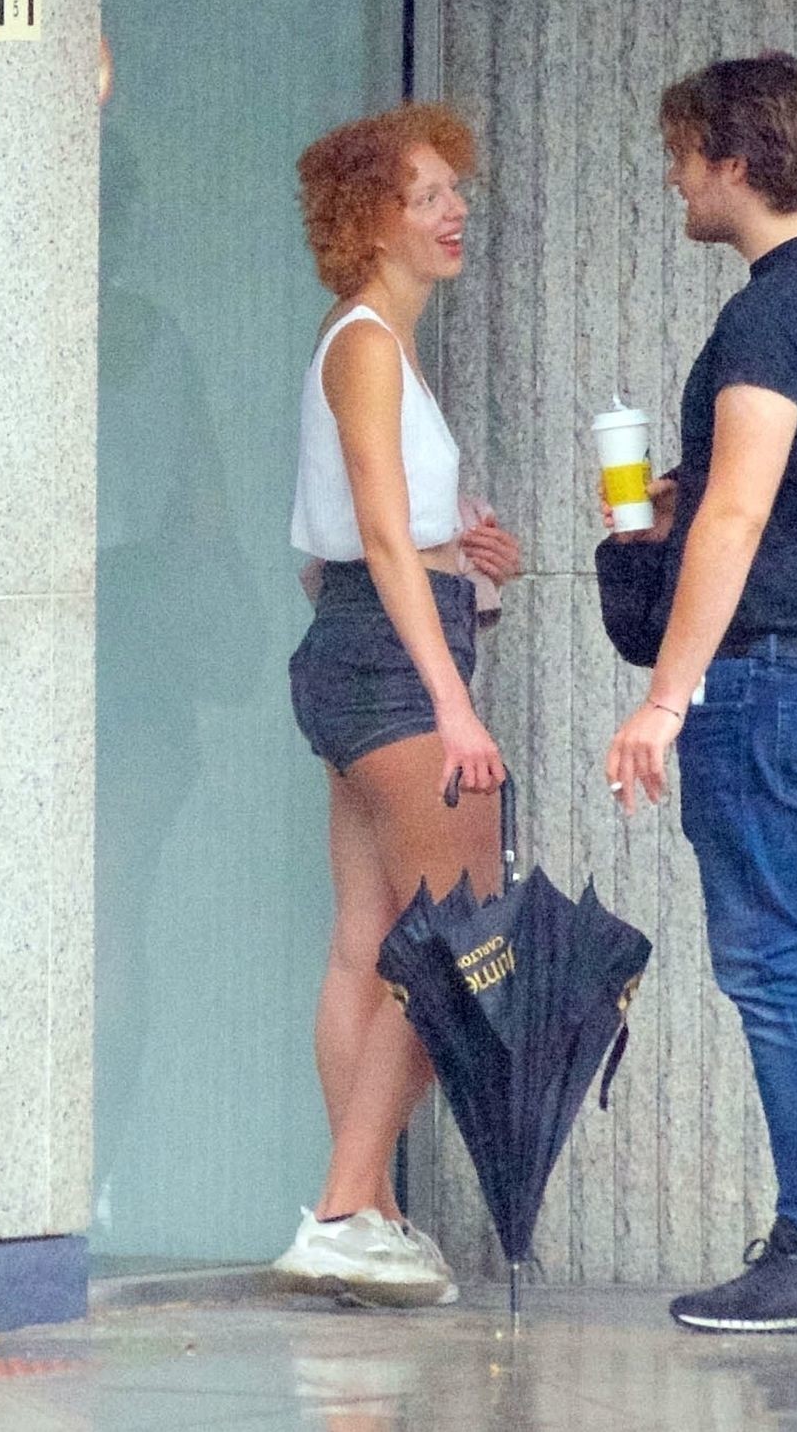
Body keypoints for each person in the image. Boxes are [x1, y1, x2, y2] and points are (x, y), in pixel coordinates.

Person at [605, 53, 797, 1334]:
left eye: (685, 155)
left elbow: (736, 515)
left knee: (771, 959)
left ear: (736, 162)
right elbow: (782, 489)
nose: (675, 178)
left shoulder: (766, 316)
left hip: (769, 676)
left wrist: (664, 698)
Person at [273, 103, 521, 1307]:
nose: (453, 210)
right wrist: (452, 699)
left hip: (357, 649)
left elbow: (347, 552)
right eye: (427, 195)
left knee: (371, 942)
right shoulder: (368, 344)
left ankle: (362, 1213)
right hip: (392, 665)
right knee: (460, 940)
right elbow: (375, 538)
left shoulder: (370, 343)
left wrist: (465, 562)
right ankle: (342, 1207)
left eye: (454, 189)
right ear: (372, 219)